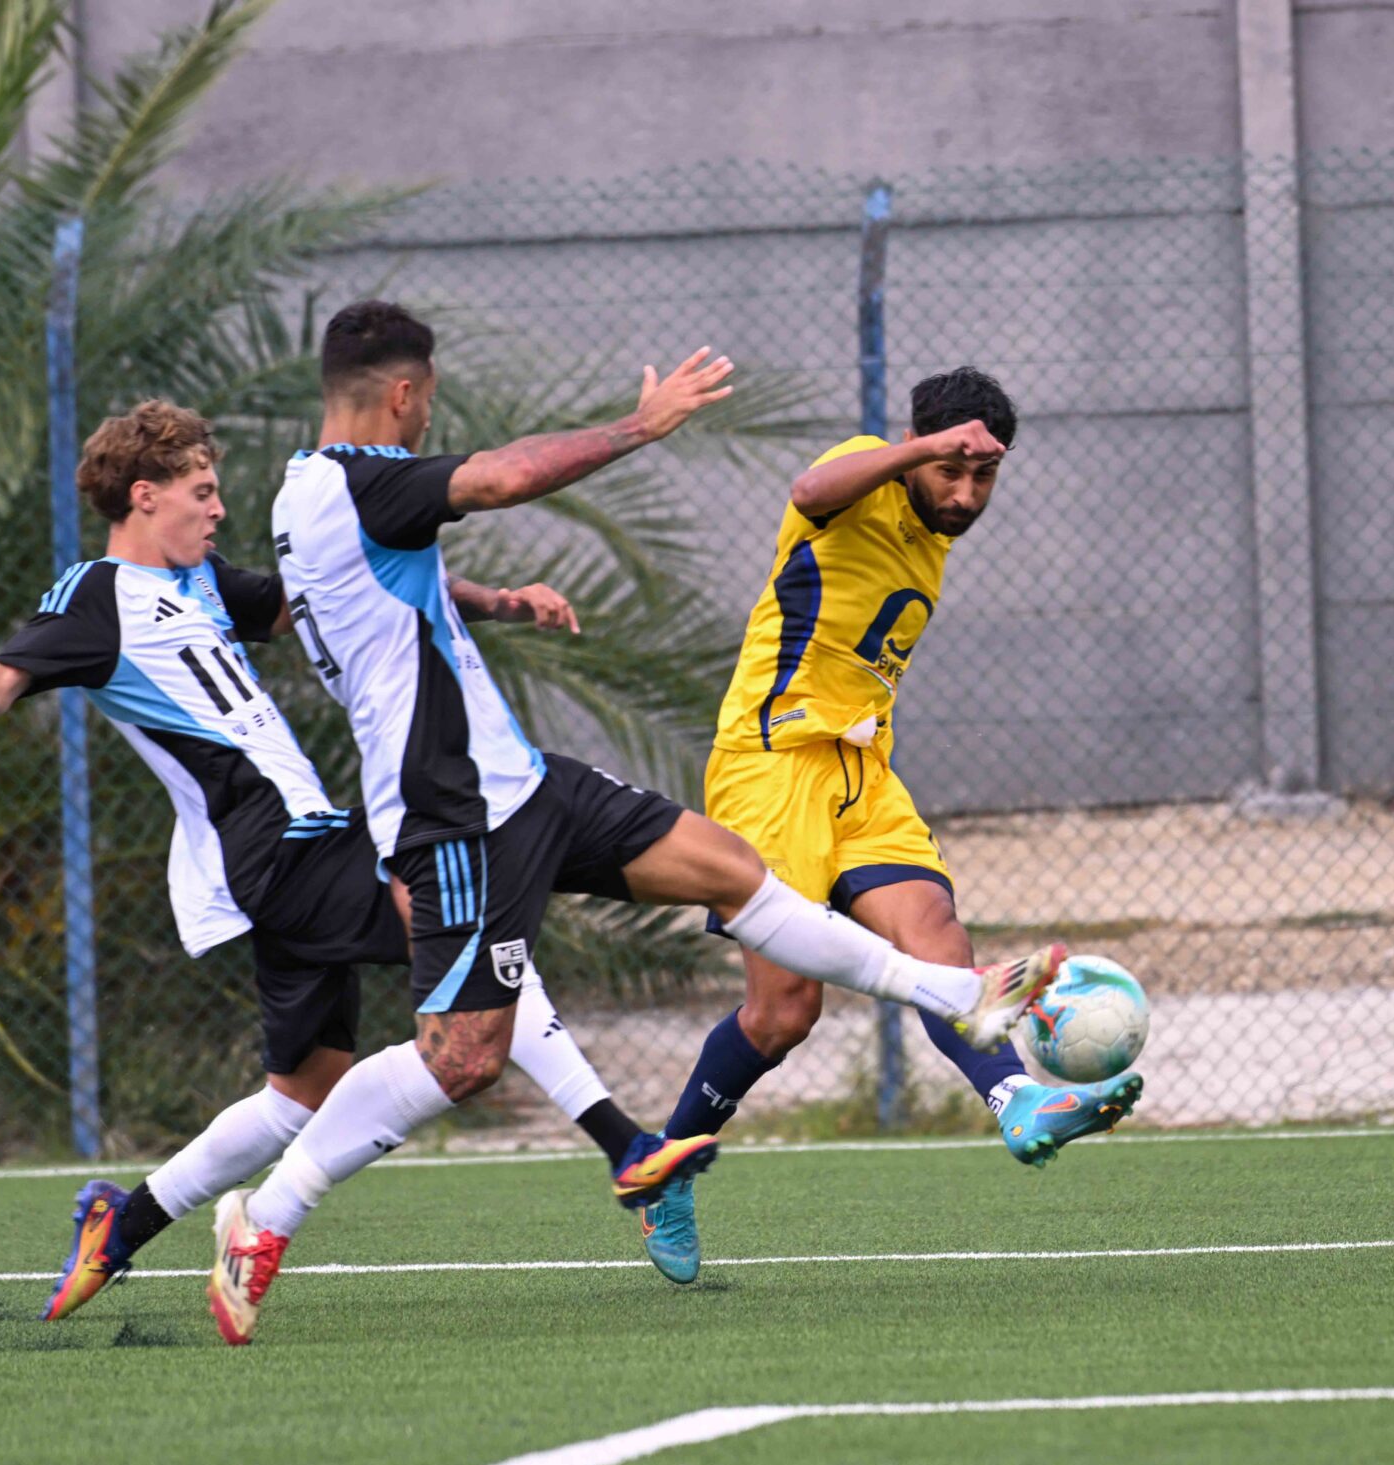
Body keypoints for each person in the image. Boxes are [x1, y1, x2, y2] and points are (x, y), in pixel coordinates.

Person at [210, 301, 1066, 1343]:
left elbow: (367, 587)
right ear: (403, 394)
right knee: (461, 1058)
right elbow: (500, 479)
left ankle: (963, 1002)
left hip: (520, 779)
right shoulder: (362, 478)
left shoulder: (309, 493)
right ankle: (266, 1215)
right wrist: (639, 426)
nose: (430, 417)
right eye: (427, 400)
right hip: (453, 811)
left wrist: (492, 600)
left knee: (733, 873)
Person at [0, 400, 652, 1318]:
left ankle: (120, 1224)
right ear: (144, 495)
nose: (218, 508)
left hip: (290, 860)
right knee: (467, 919)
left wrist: (492, 599)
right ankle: (623, 1140)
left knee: (300, 1097)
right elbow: (6, 679)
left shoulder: (205, 580)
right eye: (201, 491)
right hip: (278, 854)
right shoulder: (97, 596)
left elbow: (339, 586)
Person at [657, 367, 1141, 1212]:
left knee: (937, 939)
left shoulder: (934, 534)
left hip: (863, 773)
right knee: (783, 1013)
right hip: (772, 764)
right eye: (950, 470)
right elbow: (810, 489)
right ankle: (662, 1173)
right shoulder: (862, 476)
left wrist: (945, 457)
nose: (964, 494)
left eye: (983, 476)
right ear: (916, 449)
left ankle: (1019, 1100)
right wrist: (919, 449)